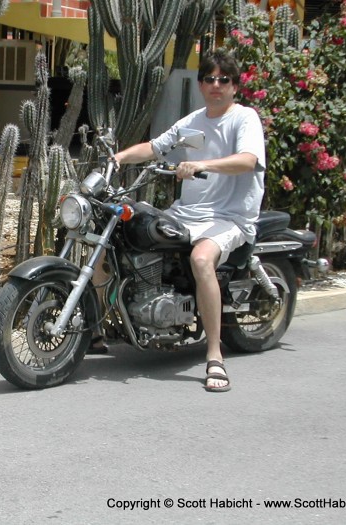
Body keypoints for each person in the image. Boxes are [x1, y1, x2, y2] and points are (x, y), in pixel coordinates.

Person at [112, 49, 266, 392]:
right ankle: (100, 328)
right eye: (209, 78)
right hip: (188, 213)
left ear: (235, 86)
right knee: (120, 233)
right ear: (200, 84)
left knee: (200, 259)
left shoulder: (244, 118)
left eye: (224, 79)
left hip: (230, 216)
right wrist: (119, 158)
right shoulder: (193, 121)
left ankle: (214, 355)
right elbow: (155, 147)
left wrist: (203, 165)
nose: (216, 85)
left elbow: (247, 160)